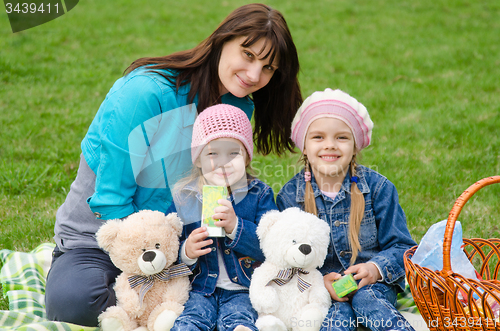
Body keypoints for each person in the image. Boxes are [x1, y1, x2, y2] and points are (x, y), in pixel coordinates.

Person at [45, 3, 301, 327]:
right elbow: (110, 200)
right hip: (100, 239)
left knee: (234, 299)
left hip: (181, 247)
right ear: (223, 40)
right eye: (248, 55)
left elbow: (214, 189)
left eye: (268, 68)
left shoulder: (238, 105)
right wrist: (151, 262)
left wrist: (197, 249)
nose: (254, 75)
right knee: (75, 305)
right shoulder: (145, 92)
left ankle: (161, 306)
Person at [276, 88, 417, 331]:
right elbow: (283, 260)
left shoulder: (378, 189)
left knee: (366, 300)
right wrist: (319, 283)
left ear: (354, 147)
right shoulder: (290, 196)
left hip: (373, 287)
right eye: (318, 137)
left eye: (341, 137)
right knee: (336, 315)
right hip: (320, 290)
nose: (330, 145)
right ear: (304, 148)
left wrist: (375, 269)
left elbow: (404, 248)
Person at [167, 104, 277, 331]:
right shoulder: (183, 197)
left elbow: (273, 248)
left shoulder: (259, 194)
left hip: (243, 289)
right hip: (198, 287)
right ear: (198, 159)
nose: (223, 162)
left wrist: (236, 227)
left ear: (246, 157)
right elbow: (166, 245)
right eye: (212, 153)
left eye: (233, 153)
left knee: (239, 321)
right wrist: (186, 251)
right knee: (190, 320)